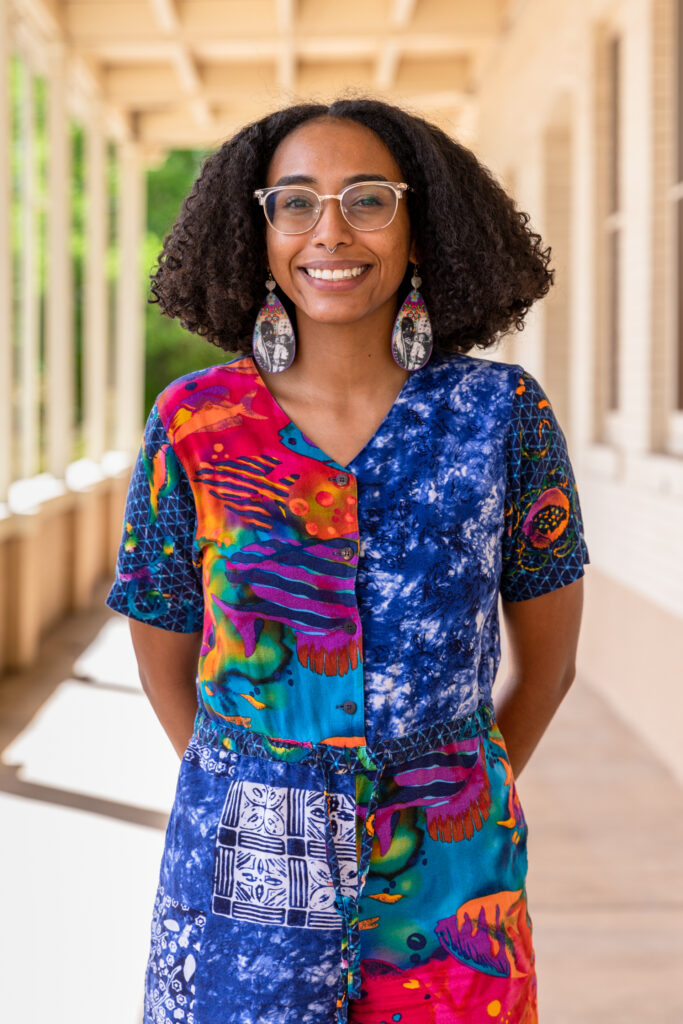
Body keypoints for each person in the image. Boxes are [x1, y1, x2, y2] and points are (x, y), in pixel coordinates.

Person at [105, 97, 589, 1024]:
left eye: (368, 199)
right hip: (248, 847)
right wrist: (261, 790)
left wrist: (457, 791)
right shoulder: (194, 423)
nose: (330, 230)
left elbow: (550, 665)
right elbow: (161, 653)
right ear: (260, 232)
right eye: (295, 202)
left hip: (450, 860)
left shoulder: (500, 415)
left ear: (422, 228)